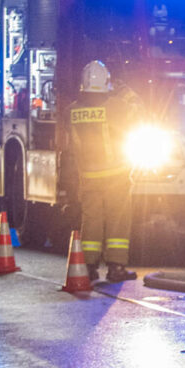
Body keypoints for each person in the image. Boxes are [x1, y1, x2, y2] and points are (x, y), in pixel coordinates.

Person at [67, 60, 138, 283]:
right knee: (118, 219)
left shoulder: (72, 110)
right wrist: (125, 91)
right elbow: (139, 112)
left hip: (87, 175)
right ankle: (116, 267)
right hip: (116, 173)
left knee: (91, 220)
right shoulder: (116, 105)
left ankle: (88, 266)